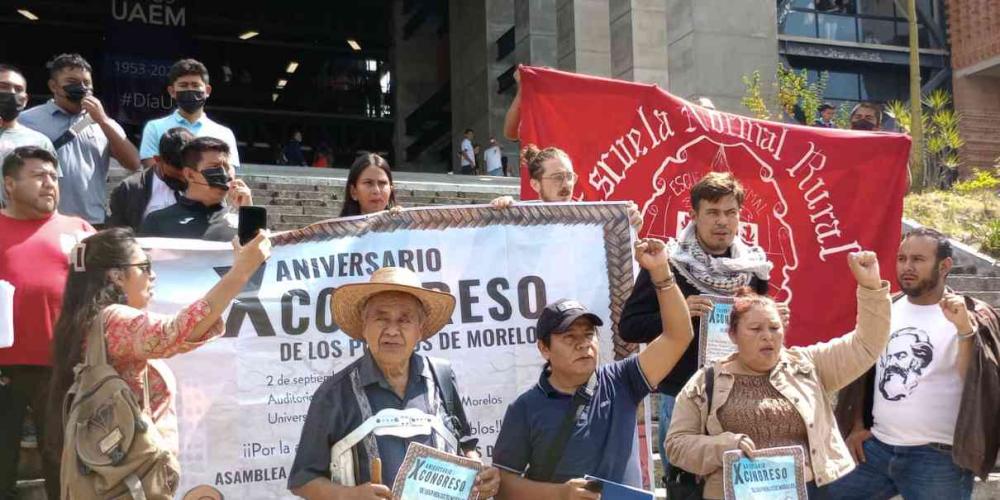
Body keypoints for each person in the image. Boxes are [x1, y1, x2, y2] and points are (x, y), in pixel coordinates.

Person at [44, 227, 271, 484]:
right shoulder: (113, 320)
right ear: (117, 276)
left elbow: (179, 335)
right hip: (127, 482)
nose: (153, 276)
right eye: (144, 266)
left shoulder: (89, 323)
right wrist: (241, 271)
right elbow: (177, 331)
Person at [665, 251, 889, 499]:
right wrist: (722, 446)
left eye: (774, 328)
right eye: (755, 329)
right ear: (733, 335)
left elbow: (866, 345)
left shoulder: (808, 365)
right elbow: (676, 445)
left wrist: (871, 288)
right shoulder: (705, 382)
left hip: (811, 490)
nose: (767, 336)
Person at [493, 238, 693, 498]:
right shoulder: (525, 408)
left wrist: (661, 272)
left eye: (589, 335)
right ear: (544, 349)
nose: (583, 345)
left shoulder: (622, 380)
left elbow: (678, 336)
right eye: (569, 338)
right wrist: (560, 494)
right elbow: (502, 485)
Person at [618, 172, 777, 484]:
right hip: (679, 396)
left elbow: (760, 332)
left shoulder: (754, 268)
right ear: (694, 216)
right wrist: (679, 313)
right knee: (684, 485)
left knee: (736, 483)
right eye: (713, 213)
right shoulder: (669, 264)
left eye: (731, 213)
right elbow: (630, 326)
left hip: (738, 396)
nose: (722, 222)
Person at [288, 267, 502, 499]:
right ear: (364, 326)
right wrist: (349, 496)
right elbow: (303, 480)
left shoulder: (442, 378)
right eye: (381, 318)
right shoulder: (334, 394)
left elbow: (464, 443)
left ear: (420, 331)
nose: (392, 330)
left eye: (404, 320)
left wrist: (477, 467)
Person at [829, 228, 1000, 500]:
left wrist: (965, 331)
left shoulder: (970, 315)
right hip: (876, 449)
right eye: (901, 258)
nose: (907, 267)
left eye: (918, 259)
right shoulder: (886, 308)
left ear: (944, 266)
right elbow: (862, 369)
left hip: (938, 459)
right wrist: (857, 425)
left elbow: (976, 382)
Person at [0, 146, 94, 500]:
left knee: (62, 464)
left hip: (64, 369)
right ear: (10, 184)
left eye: (54, 177)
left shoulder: (80, 230)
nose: (49, 183)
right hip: (2, 372)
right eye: (38, 176)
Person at [19, 53, 140, 225]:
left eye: (86, 83)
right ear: (54, 86)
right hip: (42, 221)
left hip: (92, 222)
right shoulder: (27, 120)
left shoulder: (104, 123)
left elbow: (133, 163)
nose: (81, 87)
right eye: (72, 82)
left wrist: (102, 120)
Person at [489, 145, 644, 230]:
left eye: (569, 176)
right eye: (557, 177)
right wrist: (501, 214)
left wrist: (630, 227)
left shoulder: (595, 220)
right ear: (535, 185)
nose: (566, 184)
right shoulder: (519, 221)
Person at [140, 137, 253, 240]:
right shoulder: (159, 221)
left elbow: (259, 258)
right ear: (189, 174)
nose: (223, 174)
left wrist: (248, 214)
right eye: (214, 166)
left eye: (226, 167)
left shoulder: (239, 220)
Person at [139, 59, 240, 169]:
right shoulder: (154, 128)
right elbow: (152, 171)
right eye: (183, 85)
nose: (190, 89)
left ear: (207, 91)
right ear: (172, 91)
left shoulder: (224, 133)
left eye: (195, 85)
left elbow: (228, 174)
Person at [108, 127, 194, 232]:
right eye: (175, 175)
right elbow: (117, 234)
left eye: (189, 175)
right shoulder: (130, 189)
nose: (183, 179)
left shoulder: (205, 186)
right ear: (157, 160)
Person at [0, 64, 56, 207]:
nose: (11, 93)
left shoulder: (40, 141)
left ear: (25, 100)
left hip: (19, 223)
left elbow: (50, 189)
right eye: (3, 86)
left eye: (18, 89)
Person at [338, 152, 397, 217]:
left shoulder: (405, 223)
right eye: (368, 183)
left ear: (391, 190)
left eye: (382, 183)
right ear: (353, 192)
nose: (376, 191)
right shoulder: (335, 227)